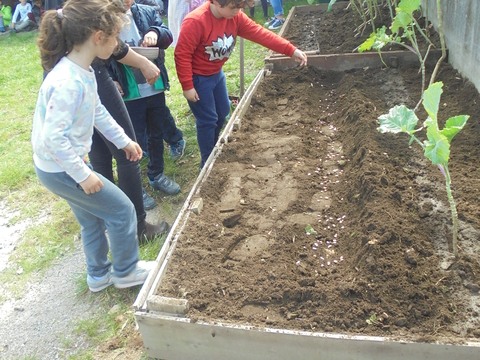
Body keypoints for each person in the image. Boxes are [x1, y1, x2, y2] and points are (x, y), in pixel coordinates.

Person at [33, 0, 155, 293]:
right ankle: (126, 271)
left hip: (60, 166)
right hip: (62, 168)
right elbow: (54, 138)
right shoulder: (66, 82)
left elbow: (98, 110)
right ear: (98, 37)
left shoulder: (81, 70)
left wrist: (124, 141)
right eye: (115, 37)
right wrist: (82, 174)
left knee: (91, 220)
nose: (117, 44)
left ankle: (99, 275)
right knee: (122, 210)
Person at [175, 0, 307, 168]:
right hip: (199, 78)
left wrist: (291, 50)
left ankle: (213, 143)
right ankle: (207, 161)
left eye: (240, 7)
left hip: (217, 74)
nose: (237, 11)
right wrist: (187, 86)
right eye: (233, 7)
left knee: (222, 112)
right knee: (208, 119)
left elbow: (260, 34)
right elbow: (182, 54)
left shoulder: (236, 18)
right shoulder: (196, 21)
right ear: (217, 2)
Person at [108, 0, 181, 196]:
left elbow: (167, 36)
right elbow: (102, 57)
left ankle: (156, 175)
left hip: (153, 87)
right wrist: (111, 79)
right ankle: (135, 186)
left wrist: (155, 32)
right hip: (129, 94)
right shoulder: (105, 18)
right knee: (132, 139)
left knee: (156, 135)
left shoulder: (148, 11)